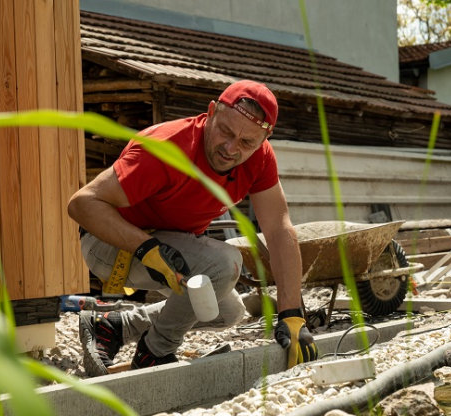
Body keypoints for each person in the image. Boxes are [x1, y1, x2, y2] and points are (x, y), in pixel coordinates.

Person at [68, 80, 318, 376]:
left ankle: (113, 326)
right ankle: (154, 353)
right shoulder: (166, 147)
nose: (230, 148)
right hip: (110, 244)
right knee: (225, 264)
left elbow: (278, 228)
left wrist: (292, 315)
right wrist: (145, 248)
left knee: (227, 311)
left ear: (265, 138)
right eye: (225, 131)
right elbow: (82, 204)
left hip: (166, 245)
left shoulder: (260, 159)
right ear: (211, 111)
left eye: (246, 142)